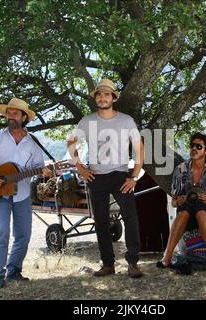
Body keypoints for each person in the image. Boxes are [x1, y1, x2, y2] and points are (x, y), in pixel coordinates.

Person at [0, 98, 52, 290]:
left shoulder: (33, 143)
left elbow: (39, 168)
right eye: (8, 112)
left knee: (23, 235)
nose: (10, 116)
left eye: (15, 113)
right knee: (2, 231)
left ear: (24, 117)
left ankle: (14, 271)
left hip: (22, 194)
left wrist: (44, 171)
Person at [67, 78, 145, 278]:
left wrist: (134, 176)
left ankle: (133, 263)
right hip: (96, 177)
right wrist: (80, 168)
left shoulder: (126, 121)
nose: (102, 98)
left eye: (107, 94)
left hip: (120, 175)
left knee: (131, 217)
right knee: (100, 221)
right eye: (99, 94)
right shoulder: (87, 121)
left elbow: (138, 149)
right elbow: (70, 141)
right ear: (96, 99)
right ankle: (108, 264)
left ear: (113, 98)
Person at [157, 132, 206, 269]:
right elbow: (173, 201)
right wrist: (178, 201)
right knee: (183, 212)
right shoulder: (180, 169)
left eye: (199, 146)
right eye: (192, 146)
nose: (194, 149)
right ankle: (167, 257)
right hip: (187, 213)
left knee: (200, 209)